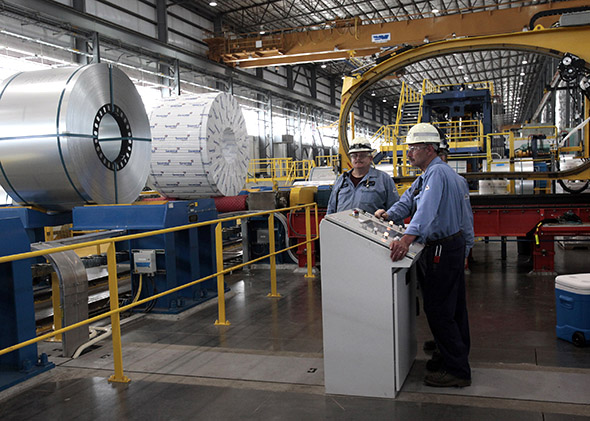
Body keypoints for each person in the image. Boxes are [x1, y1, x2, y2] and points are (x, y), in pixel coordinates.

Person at [374, 123, 474, 388]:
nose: (409, 154)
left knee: (438, 308)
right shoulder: (439, 175)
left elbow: (426, 211)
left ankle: (457, 370)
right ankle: (452, 351)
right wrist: (388, 214)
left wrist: (407, 238)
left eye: (413, 149)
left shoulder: (437, 175)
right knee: (454, 307)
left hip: (441, 248)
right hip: (452, 246)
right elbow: (410, 199)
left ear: (429, 149)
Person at [327, 138, 399, 215]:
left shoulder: (383, 179)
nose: (358, 158)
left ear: (370, 158)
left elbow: (394, 209)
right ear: (350, 158)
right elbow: (331, 208)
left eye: (362, 155)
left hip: (372, 227)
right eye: (354, 156)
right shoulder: (342, 179)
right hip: (343, 226)